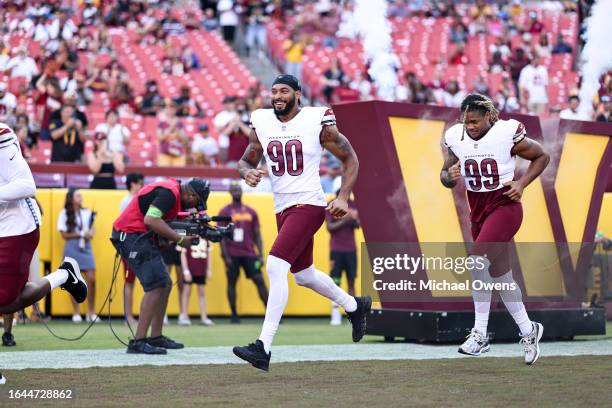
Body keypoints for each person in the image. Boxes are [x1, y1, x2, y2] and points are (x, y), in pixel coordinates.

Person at [232, 75, 371, 371]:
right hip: (281, 206)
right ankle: (355, 306)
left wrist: (343, 196)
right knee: (303, 274)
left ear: (298, 94)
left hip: (308, 203)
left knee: (275, 265)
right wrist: (246, 173)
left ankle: (263, 347)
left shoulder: (315, 119)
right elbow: (245, 160)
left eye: (284, 91)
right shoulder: (262, 120)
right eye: (273, 91)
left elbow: (351, 158)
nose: (277, 96)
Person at [440, 93, 550, 365]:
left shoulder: (506, 132)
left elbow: (542, 156)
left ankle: (479, 333)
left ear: (489, 116)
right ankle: (528, 330)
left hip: (505, 206)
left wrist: (522, 184)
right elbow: (444, 174)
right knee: (502, 279)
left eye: (475, 121)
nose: (470, 127)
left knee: (477, 261)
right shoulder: (455, 136)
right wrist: (448, 177)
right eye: (466, 122)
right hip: (478, 212)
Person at [0, 123, 87, 382]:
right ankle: (64, 276)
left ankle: (64, 275)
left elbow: (27, 185)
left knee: (5, 301)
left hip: (15, 227)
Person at [111, 178, 210, 354]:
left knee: (164, 283)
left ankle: (155, 336)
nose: (195, 207)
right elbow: (150, 220)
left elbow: (159, 223)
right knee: (156, 285)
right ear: (190, 194)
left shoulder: (175, 193)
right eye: (198, 202)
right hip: (131, 235)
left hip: (136, 235)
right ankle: (138, 341)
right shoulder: (170, 193)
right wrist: (180, 239)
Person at [218, 182, 268, 323]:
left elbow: (257, 234)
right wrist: (225, 256)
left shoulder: (251, 211)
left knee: (259, 280)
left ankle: (269, 312)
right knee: (232, 282)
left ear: (242, 191)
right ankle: (234, 314)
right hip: (232, 254)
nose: (236, 192)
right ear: (230, 192)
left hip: (249, 253)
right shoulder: (224, 212)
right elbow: (221, 236)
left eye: (238, 189)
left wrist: (260, 254)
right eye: (233, 190)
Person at [58, 188, 98, 323]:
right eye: (78, 195)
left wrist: (89, 233)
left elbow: (92, 232)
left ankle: (91, 312)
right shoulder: (64, 213)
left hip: (86, 246)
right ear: (71, 198)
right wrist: (80, 234)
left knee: (92, 280)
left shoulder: (86, 212)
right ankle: (76, 312)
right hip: (71, 247)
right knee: (72, 280)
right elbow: (63, 235)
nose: (81, 197)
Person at [326, 189, 360, 326]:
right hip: (336, 249)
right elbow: (330, 227)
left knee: (351, 281)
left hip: (351, 249)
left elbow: (358, 226)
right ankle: (335, 315)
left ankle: (353, 315)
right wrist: (345, 219)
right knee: (335, 282)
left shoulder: (353, 205)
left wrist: (355, 218)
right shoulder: (330, 204)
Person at [120, 173, 144, 327]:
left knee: (144, 282)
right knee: (129, 282)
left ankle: (142, 315)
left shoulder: (139, 199)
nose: (141, 186)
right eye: (139, 183)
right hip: (130, 244)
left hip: (140, 243)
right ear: (133, 184)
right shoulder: (126, 201)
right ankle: (128, 316)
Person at [179, 239, 214, 326]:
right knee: (186, 292)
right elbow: (183, 253)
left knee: (202, 293)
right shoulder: (189, 236)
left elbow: (209, 253)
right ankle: (184, 316)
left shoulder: (206, 237)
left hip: (201, 268)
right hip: (190, 268)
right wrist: (185, 270)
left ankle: (204, 317)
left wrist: (209, 269)